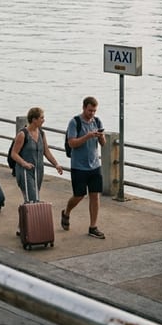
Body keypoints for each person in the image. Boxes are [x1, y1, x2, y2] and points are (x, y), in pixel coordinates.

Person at [10, 106, 64, 231]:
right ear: (33, 119)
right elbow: (14, 153)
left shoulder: (42, 133)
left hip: (38, 171)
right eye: (41, 118)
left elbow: (46, 151)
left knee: (30, 200)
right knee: (33, 200)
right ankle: (31, 229)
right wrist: (24, 163)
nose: (43, 120)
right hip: (25, 171)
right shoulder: (23, 134)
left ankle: (21, 226)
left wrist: (56, 164)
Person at [62, 96, 107, 239]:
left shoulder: (97, 121)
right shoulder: (74, 122)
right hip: (79, 166)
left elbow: (104, 143)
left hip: (94, 165)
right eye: (89, 111)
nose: (92, 114)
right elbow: (72, 143)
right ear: (84, 108)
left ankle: (93, 226)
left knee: (95, 195)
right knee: (79, 195)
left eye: (94, 111)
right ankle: (66, 212)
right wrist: (87, 136)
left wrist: (100, 136)